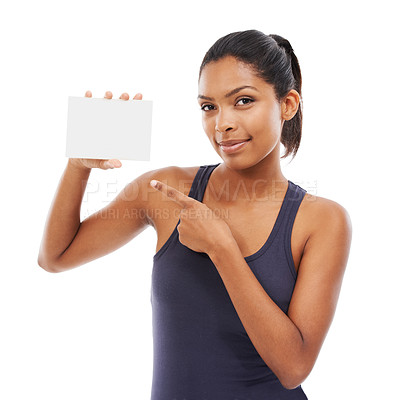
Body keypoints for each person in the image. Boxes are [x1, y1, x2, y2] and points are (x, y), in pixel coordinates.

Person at [38, 29, 352, 399]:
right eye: (209, 106)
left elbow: (293, 368)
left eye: (244, 101)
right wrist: (78, 165)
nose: (222, 124)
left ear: (287, 104)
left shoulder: (322, 220)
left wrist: (222, 249)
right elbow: (54, 258)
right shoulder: (164, 191)